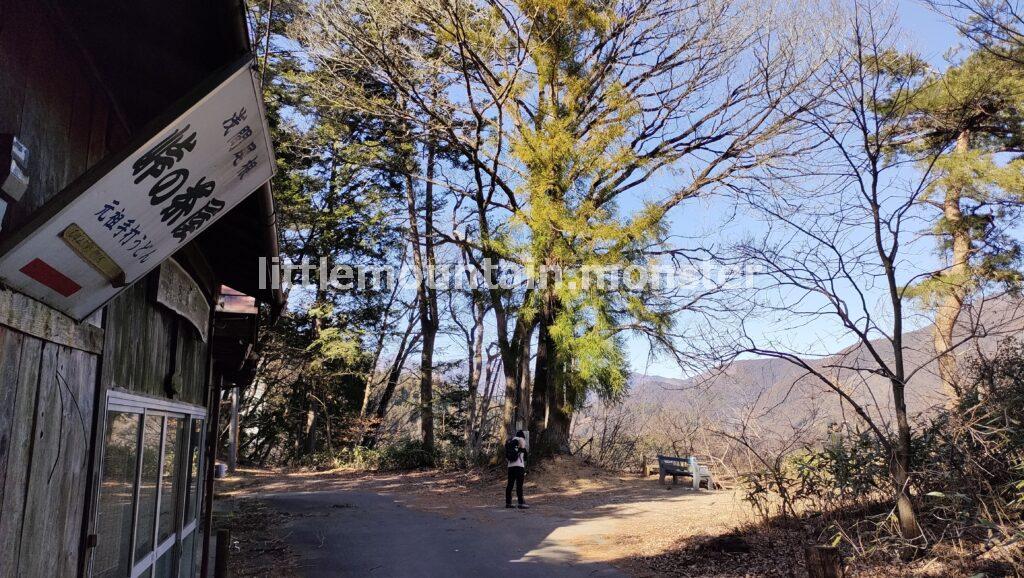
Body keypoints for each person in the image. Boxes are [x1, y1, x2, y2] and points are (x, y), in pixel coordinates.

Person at [505, 430, 530, 509]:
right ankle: (521, 503)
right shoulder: (521, 441)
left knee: (510, 485)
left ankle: (508, 503)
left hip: (510, 467)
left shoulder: (511, 442)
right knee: (519, 485)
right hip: (519, 466)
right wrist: (523, 450)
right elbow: (525, 458)